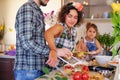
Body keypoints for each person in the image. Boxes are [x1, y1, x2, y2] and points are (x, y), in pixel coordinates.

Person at [14, 0, 72, 80]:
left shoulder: (37, 11)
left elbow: (38, 42)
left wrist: (52, 53)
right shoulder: (27, 9)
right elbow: (27, 43)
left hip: (38, 68)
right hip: (28, 71)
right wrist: (54, 51)